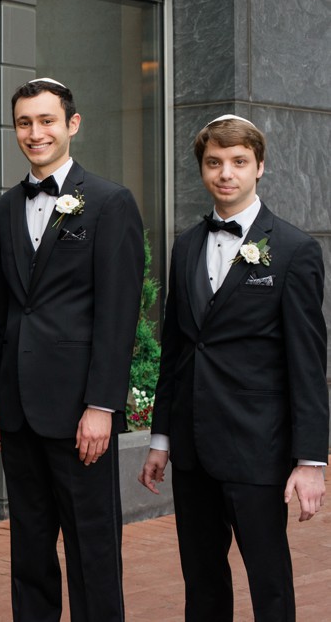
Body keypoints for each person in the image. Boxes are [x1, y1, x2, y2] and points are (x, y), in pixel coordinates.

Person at [138, 115, 328, 621]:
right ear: (202, 169)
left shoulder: (293, 251)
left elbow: (308, 364)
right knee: (201, 582)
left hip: (258, 449)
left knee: (269, 582)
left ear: (259, 167)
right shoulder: (186, 245)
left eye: (239, 162)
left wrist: (311, 461)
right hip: (194, 451)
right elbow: (177, 348)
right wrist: (161, 440)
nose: (226, 173)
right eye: (214, 162)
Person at [0, 77, 144, 621]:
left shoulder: (109, 203)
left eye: (47, 120)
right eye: (25, 123)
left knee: (92, 548)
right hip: (20, 413)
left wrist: (102, 405)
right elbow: (7, 310)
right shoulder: (4, 207)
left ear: (72, 124)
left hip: (81, 412)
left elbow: (119, 315)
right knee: (29, 550)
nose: (36, 133)